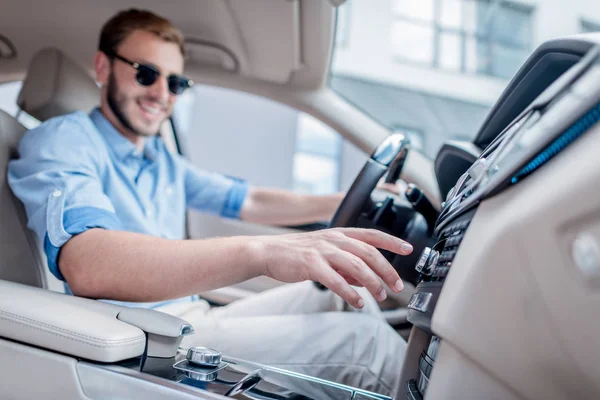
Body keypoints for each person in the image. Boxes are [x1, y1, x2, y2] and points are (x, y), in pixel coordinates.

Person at [8, 9, 412, 397]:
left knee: (343, 295)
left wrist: (346, 200)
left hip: (187, 316)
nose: (161, 93)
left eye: (176, 83)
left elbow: (250, 199)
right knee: (367, 346)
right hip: (136, 334)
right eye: (146, 73)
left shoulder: (160, 158)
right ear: (102, 68)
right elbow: (87, 263)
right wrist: (263, 251)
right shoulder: (65, 140)